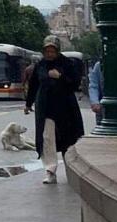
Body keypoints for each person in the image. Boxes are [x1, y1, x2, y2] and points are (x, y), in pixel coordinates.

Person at [25, 35, 84, 185]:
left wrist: (61, 77)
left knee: (68, 139)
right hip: (46, 108)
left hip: (65, 109)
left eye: (52, 51)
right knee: (47, 138)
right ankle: (50, 171)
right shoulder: (41, 65)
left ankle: (71, 168)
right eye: (47, 51)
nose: (50, 54)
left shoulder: (67, 63)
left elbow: (75, 83)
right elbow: (33, 85)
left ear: (57, 51)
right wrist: (28, 103)